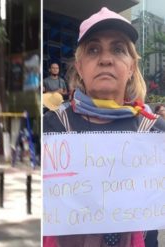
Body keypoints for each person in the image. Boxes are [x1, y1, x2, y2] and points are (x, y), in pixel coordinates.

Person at [43, 7, 165, 247]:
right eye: (93, 50)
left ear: (131, 67)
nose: (106, 59)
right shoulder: (53, 126)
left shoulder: (154, 131)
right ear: (79, 66)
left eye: (118, 49)